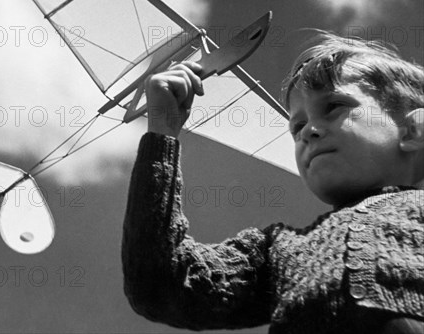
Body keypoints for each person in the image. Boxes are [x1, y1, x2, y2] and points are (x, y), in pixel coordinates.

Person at [122, 33, 424, 333]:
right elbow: (159, 283)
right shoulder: (275, 251)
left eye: (333, 107)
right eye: (297, 126)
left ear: (412, 130)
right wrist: (162, 130)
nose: (308, 132)